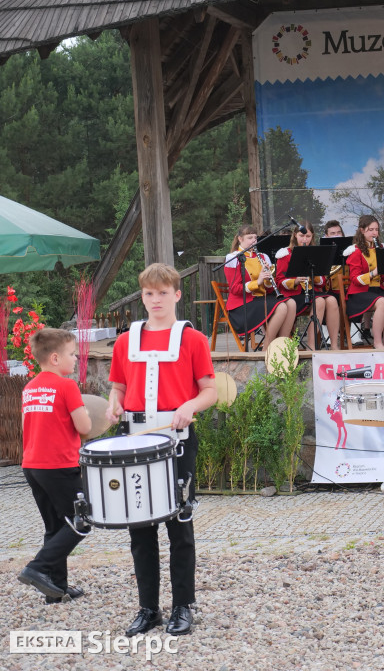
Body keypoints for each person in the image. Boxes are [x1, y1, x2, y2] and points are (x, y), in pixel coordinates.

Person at [107, 263, 217, 637]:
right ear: (143, 296)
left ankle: (183, 606)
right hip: (135, 443)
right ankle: (148, 608)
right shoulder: (125, 341)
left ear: (177, 295)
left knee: (179, 526)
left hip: (178, 444)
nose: (156, 300)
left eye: (163, 293)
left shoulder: (193, 339)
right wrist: (113, 403)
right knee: (139, 530)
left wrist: (190, 406)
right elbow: (118, 387)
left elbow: (210, 391)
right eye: (149, 294)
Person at [16, 328, 92, 604]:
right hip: (60, 465)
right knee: (81, 521)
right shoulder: (66, 386)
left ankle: (55, 588)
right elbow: (84, 427)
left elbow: (27, 428)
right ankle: (38, 567)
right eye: (73, 354)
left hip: (32, 465)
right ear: (56, 358)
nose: (76, 359)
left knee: (55, 525)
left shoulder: (30, 388)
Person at [223, 225, 296, 345]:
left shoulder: (263, 257)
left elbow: (270, 289)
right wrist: (257, 282)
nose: (254, 241)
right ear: (240, 239)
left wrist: (267, 280)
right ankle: (267, 347)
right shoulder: (233, 258)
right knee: (281, 307)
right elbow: (235, 289)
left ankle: (282, 345)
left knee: (291, 304)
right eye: (250, 238)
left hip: (261, 299)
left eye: (255, 238)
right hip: (243, 304)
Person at [275, 221, 341, 349]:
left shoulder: (316, 253)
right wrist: (295, 281)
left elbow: (322, 281)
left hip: (312, 292)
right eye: (301, 236)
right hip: (293, 295)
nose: (305, 239)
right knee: (320, 301)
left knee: (332, 300)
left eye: (308, 236)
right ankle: (312, 345)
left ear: (312, 237)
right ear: (295, 235)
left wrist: (313, 275)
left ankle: (334, 345)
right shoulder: (285, 254)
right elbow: (279, 281)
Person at [345, 215, 384, 349]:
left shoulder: (381, 249)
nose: (374, 233)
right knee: (381, 301)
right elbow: (355, 279)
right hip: (359, 293)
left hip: (376, 290)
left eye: (376, 229)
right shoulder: (355, 251)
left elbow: (383, 276)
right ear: (362, 230)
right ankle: (377, 342)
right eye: (370, 230)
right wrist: (374, 272)